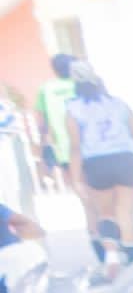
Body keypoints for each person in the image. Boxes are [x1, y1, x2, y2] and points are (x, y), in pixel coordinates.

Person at [63, 64, 133, 275]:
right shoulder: (119, 104)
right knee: (125, 214)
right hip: (126, 157)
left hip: (97, 161)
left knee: (105, 214)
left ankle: (111, 260)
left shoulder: (73, 108)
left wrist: (76, 178)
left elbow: (75, 146)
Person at [36, 55, 76, 195]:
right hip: (91, 145)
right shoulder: (81, 84)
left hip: (64, 148)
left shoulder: (46, 88)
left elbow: (41, 119)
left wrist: (43, 140)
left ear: (54, 69)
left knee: (75, 184)